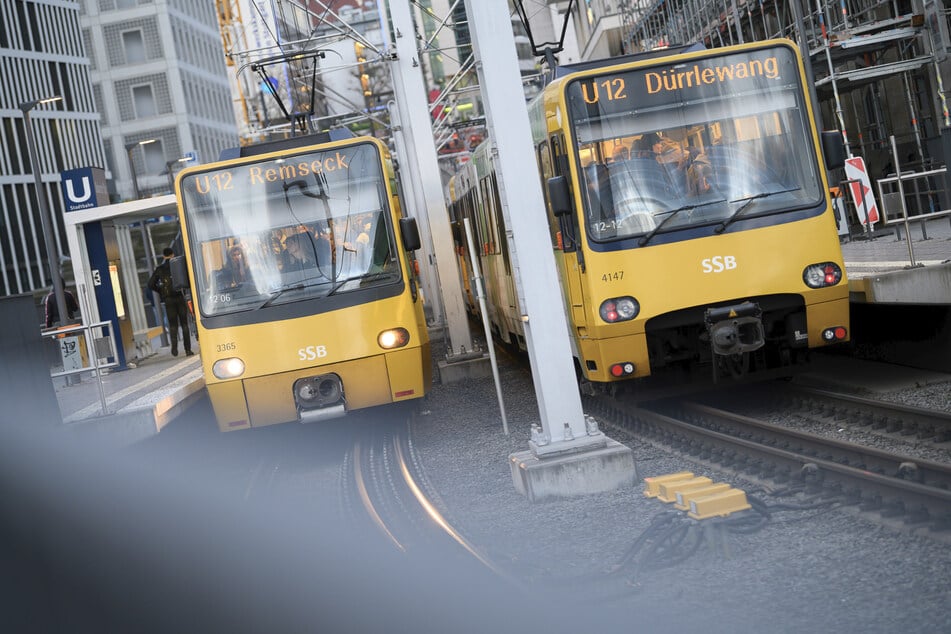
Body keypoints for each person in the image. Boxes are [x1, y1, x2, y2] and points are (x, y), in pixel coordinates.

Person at [147, 247, 193, 357]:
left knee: (173, 325)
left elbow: (150, 284)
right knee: (184, 324)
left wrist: (162, 292)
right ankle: (188, 350)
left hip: (168, 300)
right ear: (173, 254)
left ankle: (174, 347)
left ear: (164, 256)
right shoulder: (178, 266)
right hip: (180, 297)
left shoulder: (160, 269)